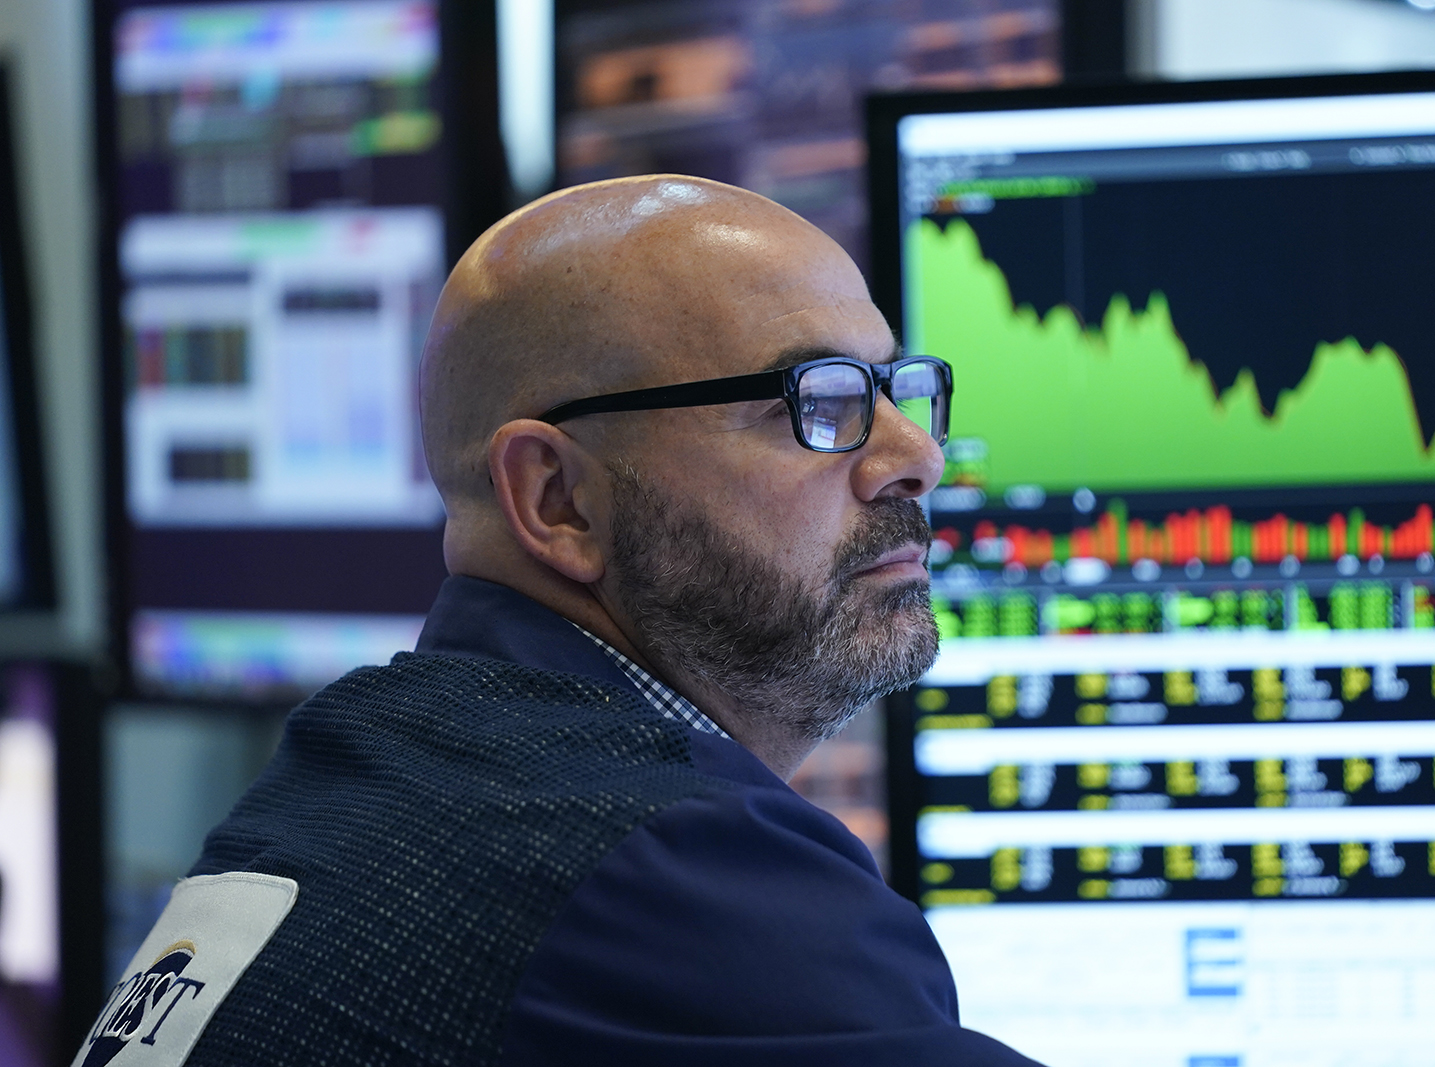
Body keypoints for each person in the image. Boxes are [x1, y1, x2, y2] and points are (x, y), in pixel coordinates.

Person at [73, 176, 1040, 1067]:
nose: (915, 456)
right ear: (556, 498)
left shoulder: (339, 778)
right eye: (815, 401)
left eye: (896, 388)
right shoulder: (674, 873)